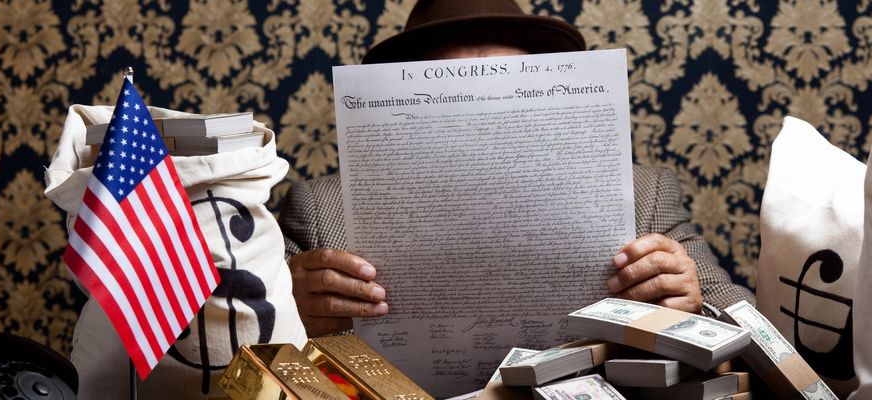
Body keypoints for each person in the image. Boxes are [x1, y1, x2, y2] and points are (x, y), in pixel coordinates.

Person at [279, 0, 755, 337]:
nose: (480, 116)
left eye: (505, 91)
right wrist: (288, 308)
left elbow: (755, 326)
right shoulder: (321, 208)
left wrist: (694, 307)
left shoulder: (642, 193)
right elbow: (231, 339)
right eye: (449, 95)